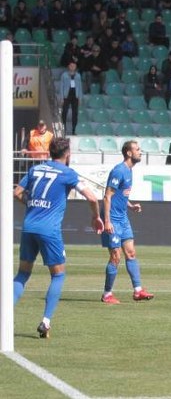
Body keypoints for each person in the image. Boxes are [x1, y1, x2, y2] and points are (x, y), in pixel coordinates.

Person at [13, 138, 102, 338]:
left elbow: (17, 193)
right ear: (67, 154)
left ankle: (4, 315)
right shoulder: (68, 173)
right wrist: (96, 217)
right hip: (49, 230)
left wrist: (32, 202)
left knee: (22, 274)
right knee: (58, 275)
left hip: (28, 227)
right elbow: (92, 198)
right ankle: (45, 322)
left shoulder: (35, 169)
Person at [101, 141, 154, 304]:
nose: (140, 151)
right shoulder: (119, 171)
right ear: (129, 153)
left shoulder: (129, 171)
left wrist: (130, 206)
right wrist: (107, 222)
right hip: (113, 220)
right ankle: (107, 294)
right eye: (137, 149)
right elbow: (107, 196)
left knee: (131, 253)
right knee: (115, 256)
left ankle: (138, 291)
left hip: (123, 218)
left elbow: (120, 195)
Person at [60, 61, 82, 135]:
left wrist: (80, 97)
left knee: (75, 113)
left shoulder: (78, 75)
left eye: (74, 66)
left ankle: (74, 130)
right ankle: (63, 129)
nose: (72, 67)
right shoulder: (64, 75)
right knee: (64, 112)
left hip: (75, 95)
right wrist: (62, 97)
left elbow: (80, 87)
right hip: (67, 95)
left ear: (75, 67)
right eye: (71, 65)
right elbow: (61, 86)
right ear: (68, 66)